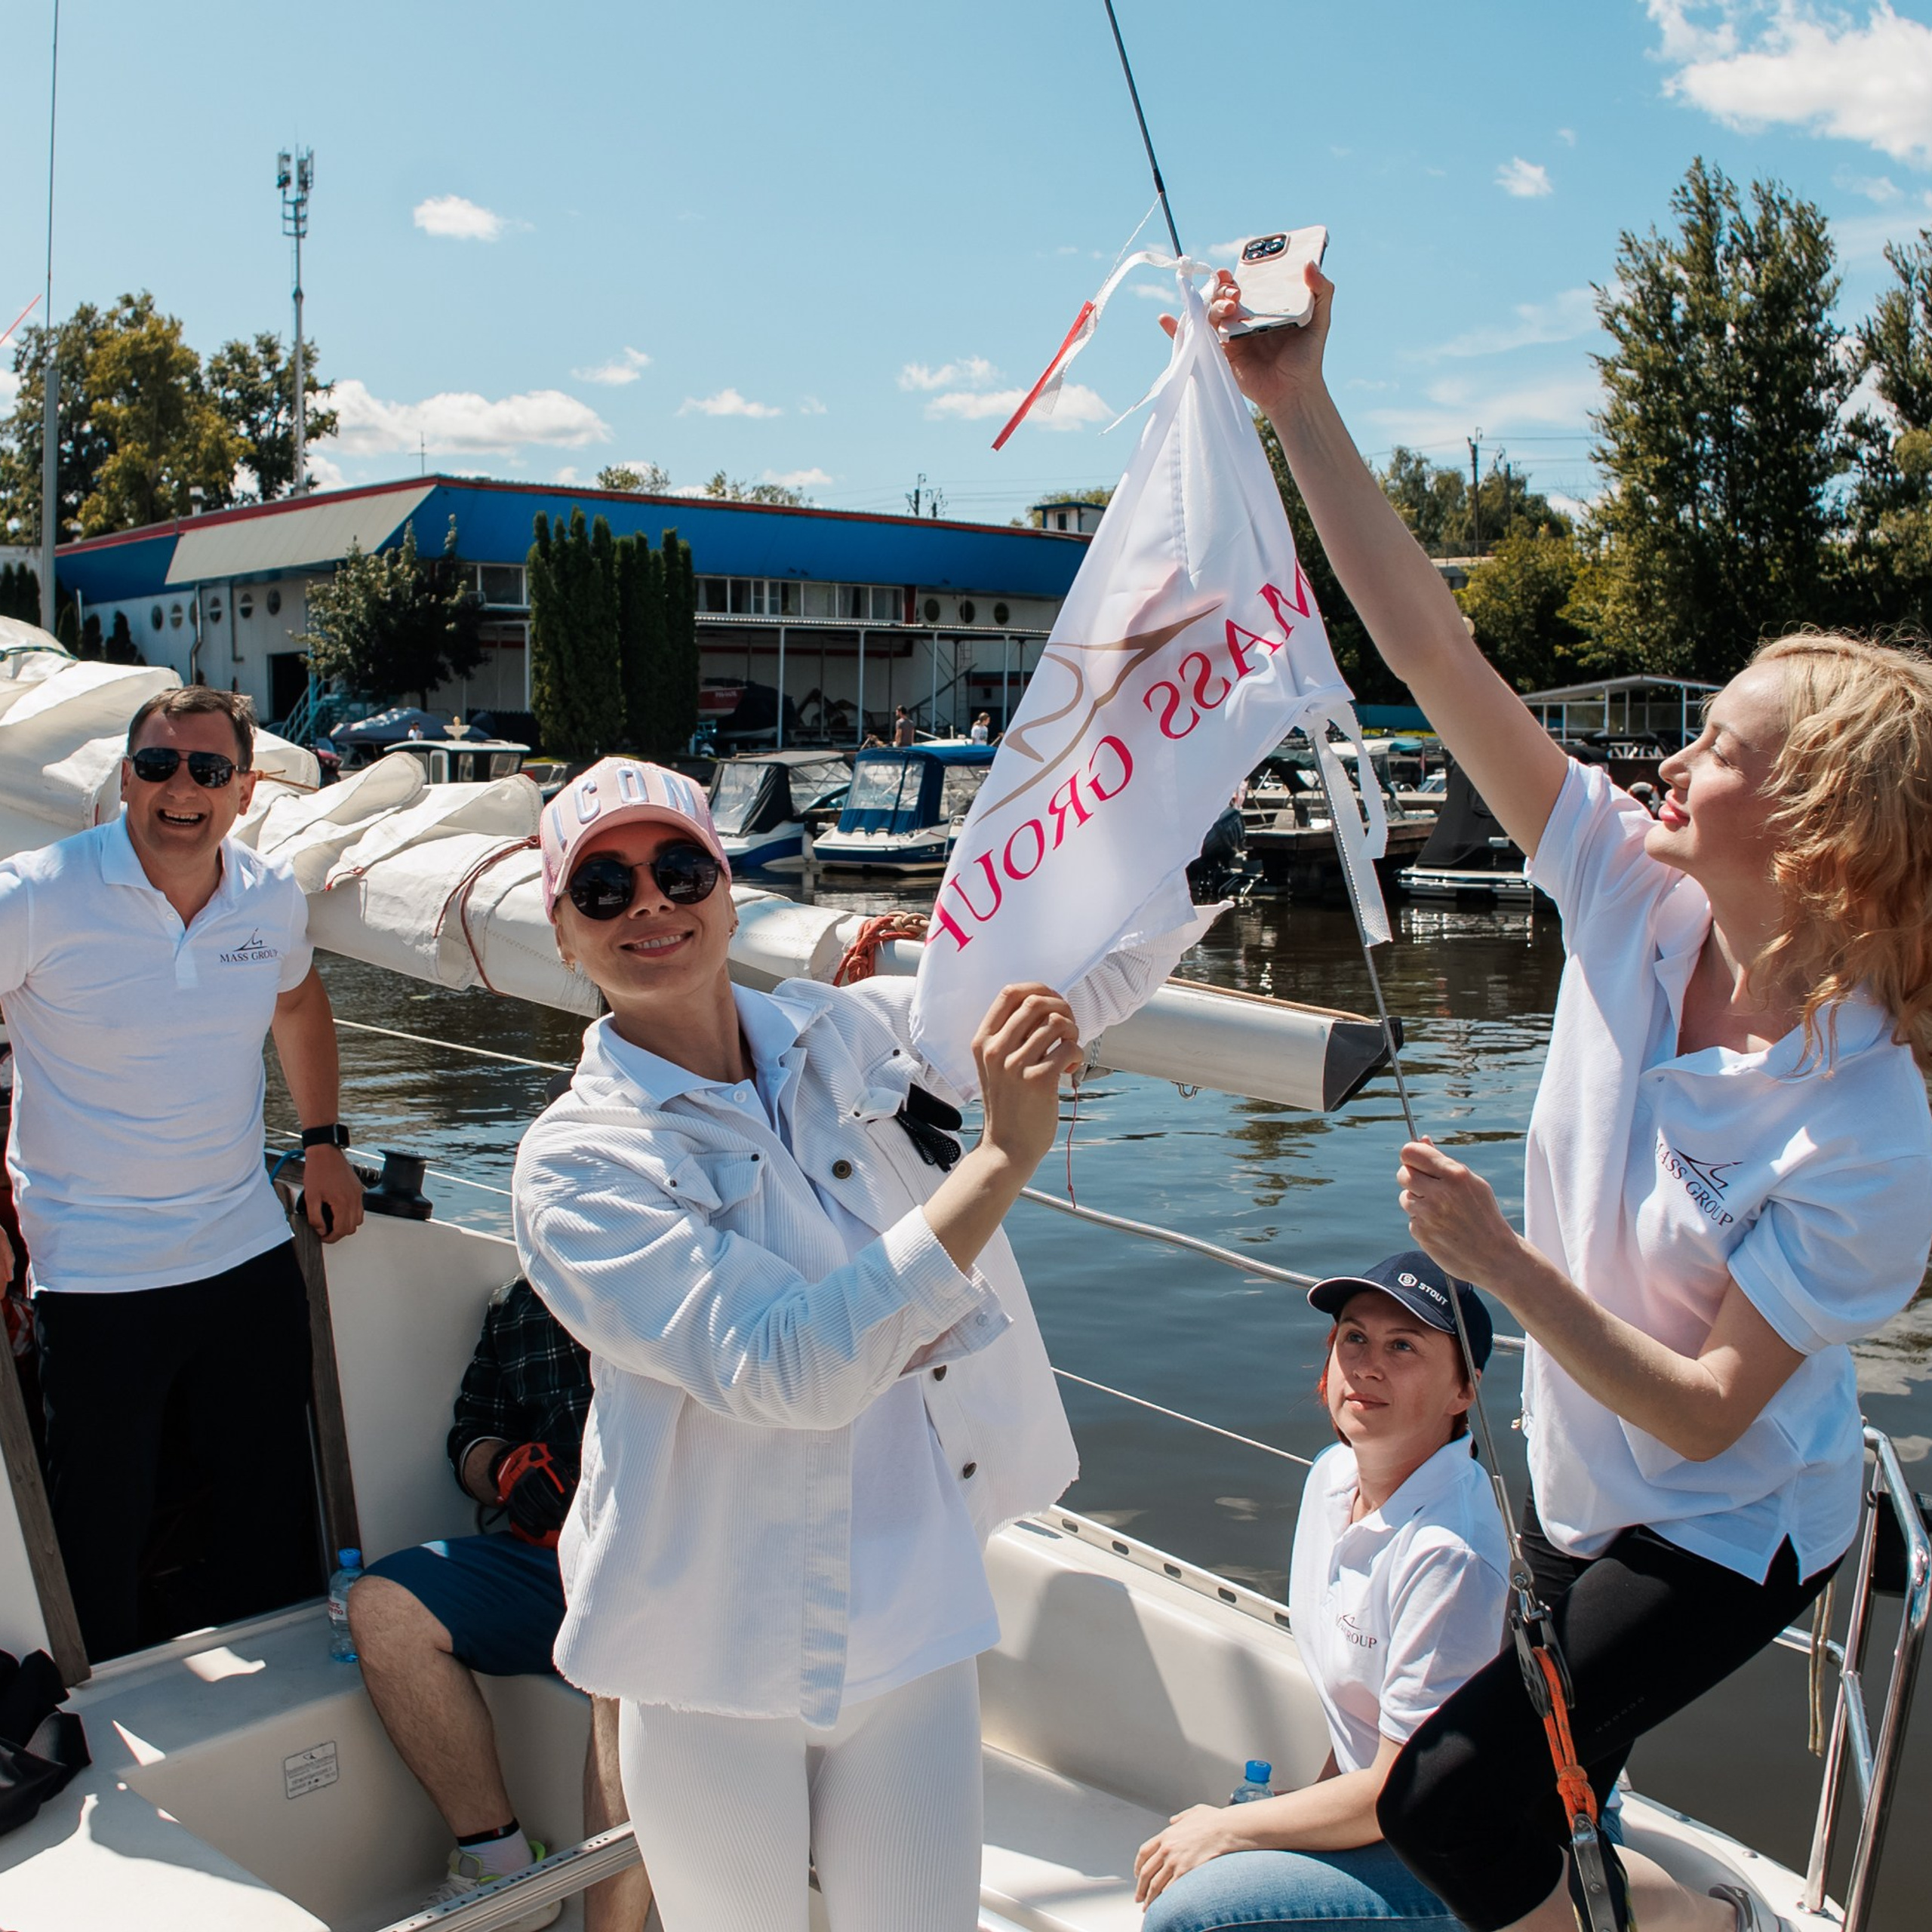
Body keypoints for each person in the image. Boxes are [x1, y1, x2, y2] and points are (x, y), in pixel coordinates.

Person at [1201, 260, 1932, 1932]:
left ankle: (1686, 1924)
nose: (1669, 759)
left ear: (1812, 834)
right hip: (1576, 1468)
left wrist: (1496, 1260)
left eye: (1717, 744)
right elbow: (1431, 646)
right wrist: (1298, 402)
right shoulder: (1626, 885)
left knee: (1456, 1799)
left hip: (1722, 1524)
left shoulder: (1867, 1126)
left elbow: (1701, 1411)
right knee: (1521, 1780)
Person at [512, 757, 1166, 1932]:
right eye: (603, 889)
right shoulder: (574, 1166)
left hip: (908, 1610)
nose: (649, 905)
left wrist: (1183, 825)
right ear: (563, 932)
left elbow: (1077, 977)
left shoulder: (850, 1032)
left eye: (678, 869)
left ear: (727, 885)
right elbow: (787, 1367)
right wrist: (1000, 1162)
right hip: (708, 1655)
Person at [0, 687, 362, 1663]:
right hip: (95, 1270)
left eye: (207, 771)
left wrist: (323, 1138)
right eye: (158, 767)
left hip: (242, 1249)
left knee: (267, 1501)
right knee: (99, 1533)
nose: (180, 790)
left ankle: (283, 1697)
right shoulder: (35, 894)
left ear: (243, 791)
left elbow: (298, 1004)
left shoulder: (268, 897)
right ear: (126, 778)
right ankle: (96, 1729)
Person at [1135, 1252, 1507, 1932]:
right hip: (1391, 1816)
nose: (1367, 1365)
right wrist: (1279, 1822)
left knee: (1191, 1915)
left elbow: (1402, 1785)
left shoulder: (1450, 1553)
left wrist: (1233, 1830)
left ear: (1465, 1392)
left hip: (1479, 1855)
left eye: (1404, 1346)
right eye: (1354, 1337)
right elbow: (1364, 1717)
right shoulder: (1333, 1478)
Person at [349, 1276, 648, 1932]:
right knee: (382, 1608)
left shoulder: (686, 1274)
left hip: (658, 1563)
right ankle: (499, 1866)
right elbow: (471, 1439)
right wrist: (509, 1471)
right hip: (547, 1565)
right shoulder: (516, 1303)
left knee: (623, 1665)